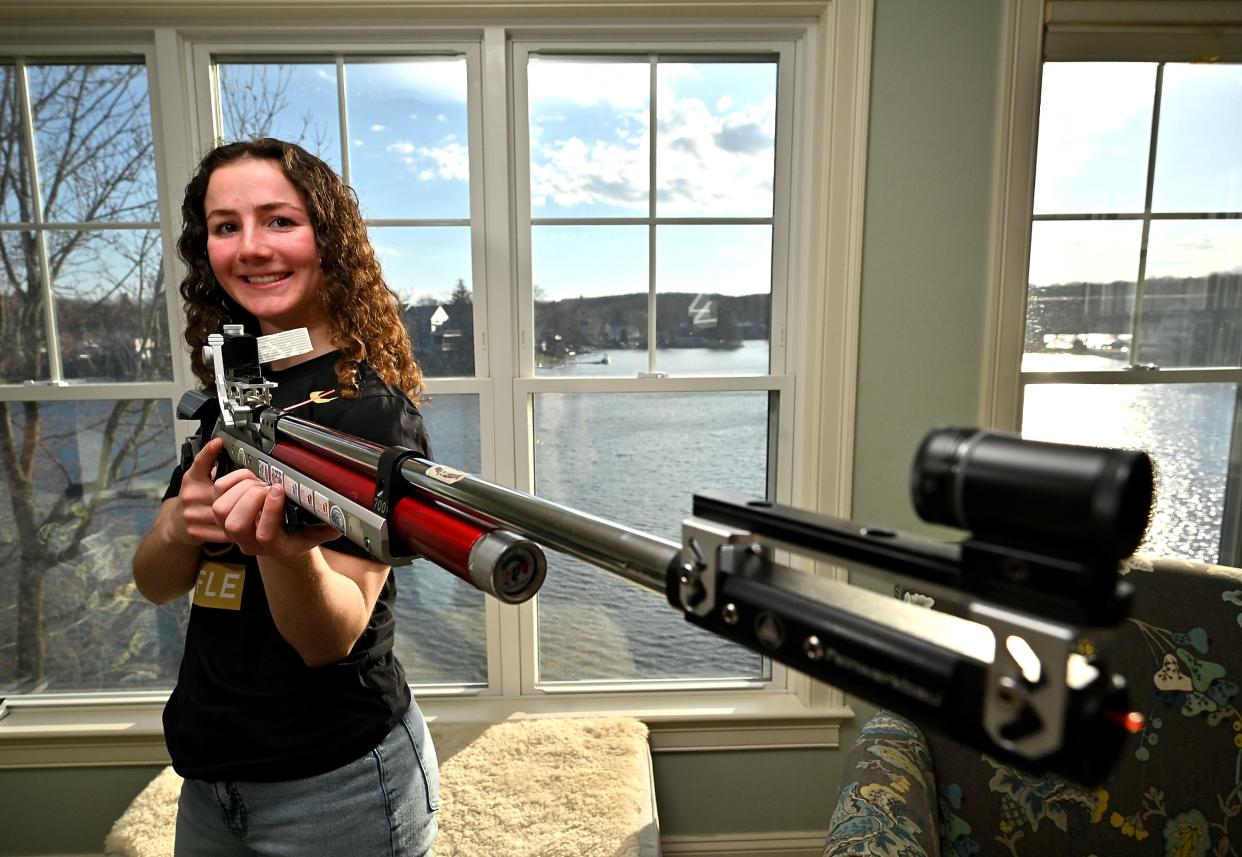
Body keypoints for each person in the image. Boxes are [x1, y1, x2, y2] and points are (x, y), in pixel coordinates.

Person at [132, 138, 439, 857]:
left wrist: (281, 552)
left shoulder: (370, 415)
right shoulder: (231, 395)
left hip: (336, 782)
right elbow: (153, 581)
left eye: (279, 220)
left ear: (328, 238)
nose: (251, 247)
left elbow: (329, 639)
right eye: (225, 225)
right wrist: (181, 523)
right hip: (209, 775)